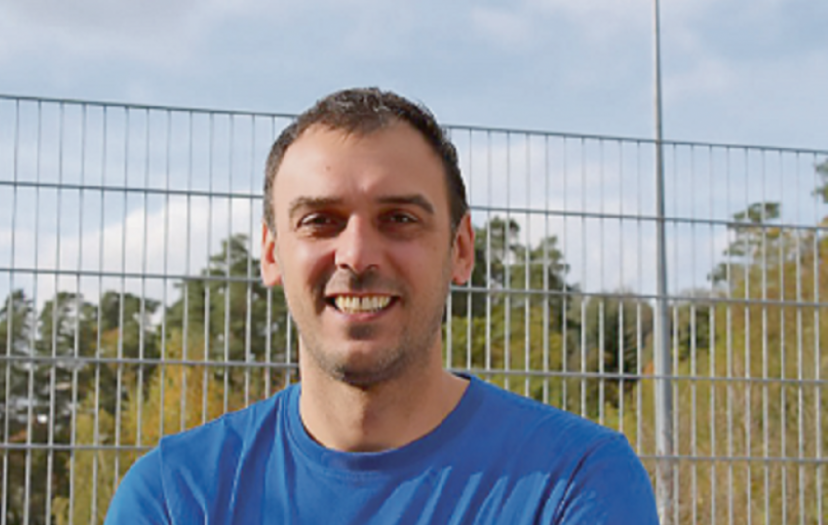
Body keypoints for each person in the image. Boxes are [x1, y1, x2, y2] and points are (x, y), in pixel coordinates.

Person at [104, 88, 660, 524]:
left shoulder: (575, 482)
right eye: (320, 221)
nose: (357, 255)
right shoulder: (176, 497)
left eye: (399, 219)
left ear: (461, 250)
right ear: (272, 255)